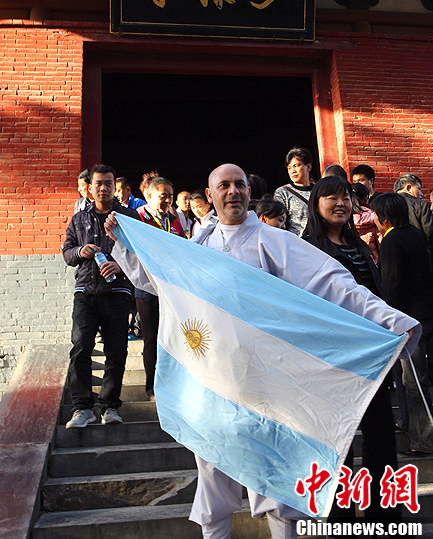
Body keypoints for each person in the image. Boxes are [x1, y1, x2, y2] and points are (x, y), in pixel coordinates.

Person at [105, 164, 420, 539]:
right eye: (224, 185)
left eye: (240, 184)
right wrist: (126, 243)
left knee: (274, 477)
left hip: (264, 386)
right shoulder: (199, 245)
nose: (233, 192)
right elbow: (156, 280)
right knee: (212, 478)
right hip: (210, 382)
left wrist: (387, 317)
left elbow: (332, 283)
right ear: (211, 195)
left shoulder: (273, 241)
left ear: (249, 192)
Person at [302, 176, 406, 523]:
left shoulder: (359, 244)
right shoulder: (306, 251)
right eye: (331, 197)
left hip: (371, 355)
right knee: (338, 439)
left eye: (345, 197)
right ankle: (339, 514)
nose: (341, 203)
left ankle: (383, 511)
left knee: (380, 433)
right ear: (316, 204)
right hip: (332, 358)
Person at [62, 164, 141, 429]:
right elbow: (67, 254)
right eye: (99, 184)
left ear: (114, 187)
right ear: (90, 188)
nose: (104, 188)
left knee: (116, 351)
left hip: (117, 293)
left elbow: (141, 252)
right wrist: (80, 251)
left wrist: (121, 265)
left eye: (109, 183)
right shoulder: (79, 219)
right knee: (80, 347)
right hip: (85, 291)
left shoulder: (129, 217)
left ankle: (109, 406)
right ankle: (82, 408)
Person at [371, 192, 433, 455]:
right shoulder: (416, 234)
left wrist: (390, 319)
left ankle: (424, 440)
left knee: (414, 381)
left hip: (409, 318)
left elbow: (393, 284)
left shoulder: (392, 241)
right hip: (428, 313)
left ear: (383, 217)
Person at [135, 177, 185, 399]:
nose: (167, 200)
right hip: (146, 288)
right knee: (151, 337)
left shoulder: (175, 220)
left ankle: (172, 384)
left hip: (171, 287)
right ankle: (152, 387)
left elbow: (182, 246)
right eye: (163, 195)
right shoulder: (137, 218)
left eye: (170, 196)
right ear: (149, 196)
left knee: (172, 337)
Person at [274, 147, 313, 236]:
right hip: (295, 243)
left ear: (308, 167)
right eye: (289, 168)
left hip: (320, 244)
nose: (293, 171)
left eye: (296, 166)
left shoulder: (320, 191)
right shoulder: (283, 193)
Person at [394, 174, 433, 262]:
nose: (421, 194)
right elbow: (429, 234)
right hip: (420, 259)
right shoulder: (422, 205)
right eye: (418, 189)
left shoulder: (385, 204)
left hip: (394, 258)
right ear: (408, 188)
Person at [351, 181, 381, 264]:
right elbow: (380, 241)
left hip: (350, 260)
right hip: (371, 261)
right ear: (366, 198)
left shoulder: (344, 216)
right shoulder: (373, 216)